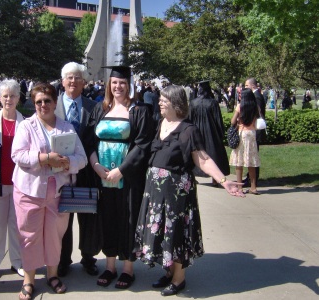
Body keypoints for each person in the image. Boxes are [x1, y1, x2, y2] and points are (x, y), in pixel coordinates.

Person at [134, 85, 244, 297]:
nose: (160, 103)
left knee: (176, 233)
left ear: (176, 103)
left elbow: (201, 158)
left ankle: (179, 279)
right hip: (156, 192)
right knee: (162, 233)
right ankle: (168, 271)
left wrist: (223, 180)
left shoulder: (188, 130)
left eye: (164, 100)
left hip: (177, 192)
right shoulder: (160, 124)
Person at [11, 83, 87, 300]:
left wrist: (65, 163)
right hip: (29, 191)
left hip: (58, 191)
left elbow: (81, 159)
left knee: (55, 235)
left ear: (55, 103)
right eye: (38, 102)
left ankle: (52, 275)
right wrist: (44, 159)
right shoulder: (26, 127)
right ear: (33, 104)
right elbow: (17, 155)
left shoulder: (67, 128)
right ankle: (28, 280)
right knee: (29, 237)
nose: (43, 105)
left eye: (47, 101)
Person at [84, 66, 154, 289]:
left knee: (128, 218)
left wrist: (121, 170)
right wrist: (96, 166)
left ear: (129, 84)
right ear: (109, 85)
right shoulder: (100, 109)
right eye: (114, 82)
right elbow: (89, 141)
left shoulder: (139, 111)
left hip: (128, 178)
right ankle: (110, 266)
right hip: (102, 176)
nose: (118, 87)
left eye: (122, 83)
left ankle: (128, 269)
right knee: (107, 218)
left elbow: (143, 144)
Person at [55, 62, 100, 277]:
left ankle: (88, 257)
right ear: (63, 81)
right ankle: (63, 260)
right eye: (69, 78)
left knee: (87, 216)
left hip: (87, 170)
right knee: (63, 217)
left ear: (84, 82)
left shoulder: (94, 107)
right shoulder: (51, 106)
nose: (73, 82)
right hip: (60, 172)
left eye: (78, 78)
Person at [0, 79, 25, 282]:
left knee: (17, 226)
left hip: (19, 185)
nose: (8, 99)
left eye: (12, 95)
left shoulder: (26, 123)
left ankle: (18, 262)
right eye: (5, 95)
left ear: (19, 97)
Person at [188, 80, 230, 185]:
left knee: (195, 154)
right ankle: (215, 179)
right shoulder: (213, 103)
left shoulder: (193, 103)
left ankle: (192, 177)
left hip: (196, 131)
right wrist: (220, 133)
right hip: (211, 132)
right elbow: (218, 120)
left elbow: (189, 119)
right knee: (213, 154)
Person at [229, 88, 261, 195]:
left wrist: (238, 121)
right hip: (252, 134)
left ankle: (240, 187)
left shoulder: (240, 106)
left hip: (242, 133)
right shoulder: (255, 107)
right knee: (251, 161)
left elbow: (232, 121)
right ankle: (253, 187)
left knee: (239, 161)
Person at [243, 78, 265, 186]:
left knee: (253, 156)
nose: (245, 88)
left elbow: (258, 113)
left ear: (252, 86)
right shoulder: (255, 96)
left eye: (246, 86)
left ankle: (253, 180)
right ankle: (250, 177)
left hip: (256, 131)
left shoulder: (257, 97)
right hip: (253, 130)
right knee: (252, 155)